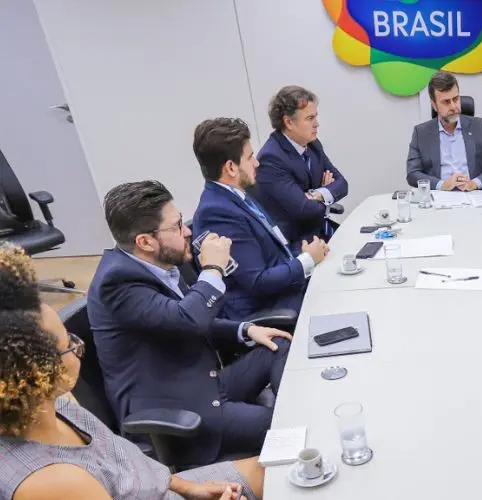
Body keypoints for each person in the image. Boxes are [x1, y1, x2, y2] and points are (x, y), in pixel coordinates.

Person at [0, 245, 263, 499]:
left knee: (277, 467)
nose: (77, 345)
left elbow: (128, 463)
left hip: (165, 490)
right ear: (35, 374)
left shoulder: (52, 405)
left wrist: (187, 488)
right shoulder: (54, 483)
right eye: (68, 344)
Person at [88, 180, 292, 467]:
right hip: (179, 410)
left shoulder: (157, 264)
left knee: (278, 342)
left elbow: (182, 318)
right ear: (145, 242)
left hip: (204, 384)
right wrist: (212, 269)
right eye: (176, 226)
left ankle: (296, 404)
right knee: (289, 425)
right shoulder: (117, 282)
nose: (187, 231)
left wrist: (244, 330)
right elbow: (189, 319)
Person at [192, 117, 329, 320]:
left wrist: (305, 251)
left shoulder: (237, 195)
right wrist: (307, 260)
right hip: (270, 309)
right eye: (250, 157)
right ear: (231, 167)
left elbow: (274, 252)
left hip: (286, 290)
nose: (257, 162)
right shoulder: (217, 212)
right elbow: (257, 281)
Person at [254, 85, 349, 246]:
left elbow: (342, 184)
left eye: (315, 117)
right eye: (310, 118)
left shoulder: (313, 145)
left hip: (319, 230)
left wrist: (315, 194)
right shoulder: (271, 158)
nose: (317, 124)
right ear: (289, 122)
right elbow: (303, 208)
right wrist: (326, 194)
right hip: (297, 243)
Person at [406, 71, 482, 191]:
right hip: (441, 200)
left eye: (456, 99)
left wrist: (474, 183)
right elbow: (413, 174)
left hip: (475, 197)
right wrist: (442, 185)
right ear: (434, 105)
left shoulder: (479, 126)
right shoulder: (421, 133)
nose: (453, 106)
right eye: (446, 102)